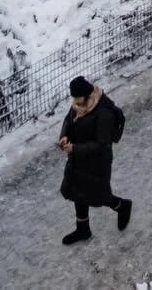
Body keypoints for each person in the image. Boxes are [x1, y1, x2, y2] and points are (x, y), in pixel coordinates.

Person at [57, 77, 131, 246]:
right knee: (78, 193)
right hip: (79, 159)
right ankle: (83, 229)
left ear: (87, 95)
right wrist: (64, 137)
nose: (74, 102)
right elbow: (68, 120)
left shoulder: (103, 112)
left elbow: (101, 144)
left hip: (97, 162)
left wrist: (74, 149)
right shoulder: (80, 105)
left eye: (77, 98)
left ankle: (123, 206)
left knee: (99, 195)